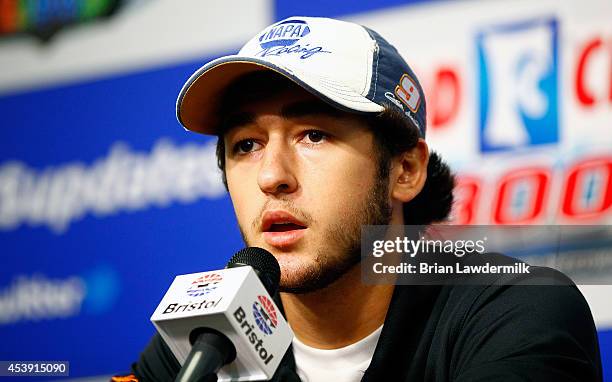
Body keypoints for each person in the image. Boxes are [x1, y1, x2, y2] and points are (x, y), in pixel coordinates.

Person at [119, 16, 602, 381]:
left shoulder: (512, 309)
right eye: (246, 145)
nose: (272, 176)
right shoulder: (204, 342)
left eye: (312, 135)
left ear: (405, 170)